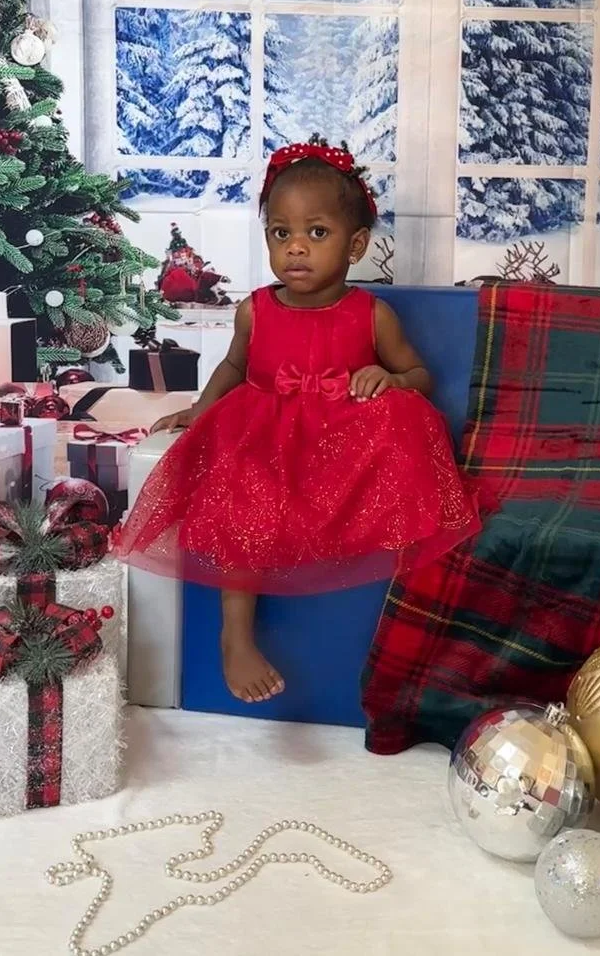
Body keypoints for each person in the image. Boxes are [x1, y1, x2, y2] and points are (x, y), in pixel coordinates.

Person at [121, 138, 480, 702]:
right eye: (280, 233)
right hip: (263, 438)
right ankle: (234, 638)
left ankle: (406, 629)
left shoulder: (371, 314)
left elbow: (420, 375)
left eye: (317, 233)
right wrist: (200, 411)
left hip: (342, 444)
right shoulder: (255, 310)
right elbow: (234, 366)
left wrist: (391, 380)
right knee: (242, 502)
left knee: (406, 426)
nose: (296, 249)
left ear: (356, 245)